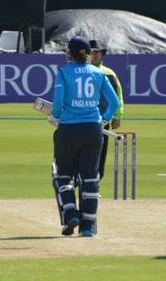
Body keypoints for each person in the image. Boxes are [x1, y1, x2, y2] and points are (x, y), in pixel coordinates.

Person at [49, 36, 119, 237]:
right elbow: (113, 103)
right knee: (90, 178)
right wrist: (102, 119)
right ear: (88, 54)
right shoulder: (99, 73)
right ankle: (87, 227)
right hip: (93, 130)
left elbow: (58, 100)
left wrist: (56, 116)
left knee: (63, 175)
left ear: (69, 55)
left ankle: (71, 213)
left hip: (69, 130)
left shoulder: (63, 72)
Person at [89, 39, 124, 180]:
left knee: (100, 155)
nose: (94, 55)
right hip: (84, 119)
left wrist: (117, 116)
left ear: (102, 55)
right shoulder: (82, 72)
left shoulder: (109, 74)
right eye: (91, 52)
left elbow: (118, 96)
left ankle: (96, 183)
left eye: (97, 52)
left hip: (103, 120)